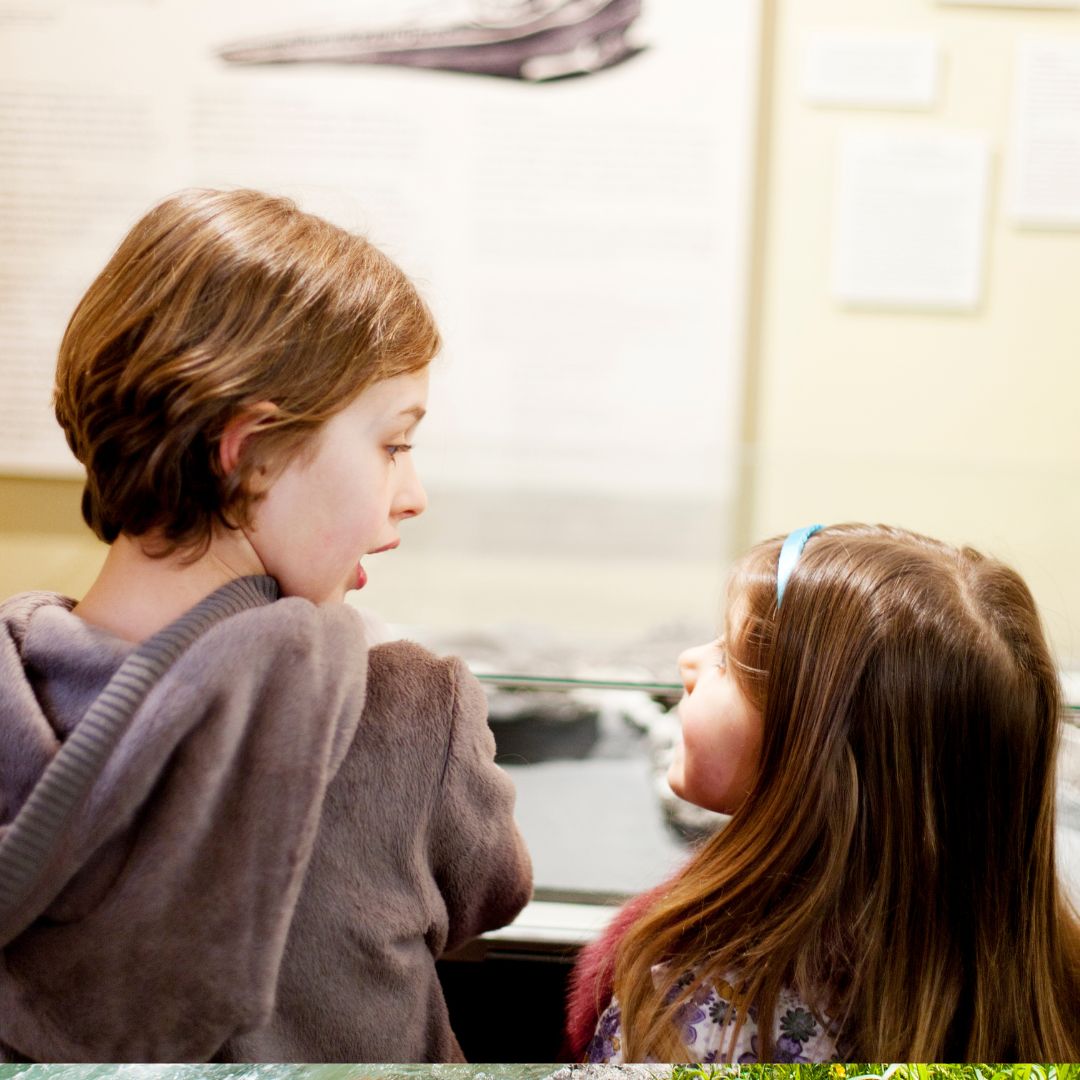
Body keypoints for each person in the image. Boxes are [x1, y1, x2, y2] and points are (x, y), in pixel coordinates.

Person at [0, 188, 532, 1063]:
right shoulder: (409, 711)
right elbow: (492, 894)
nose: (413, 492)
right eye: (393, 444)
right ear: (246, 454)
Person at [565, 523, 1080, 1062]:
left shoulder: (702, 1017)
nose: (689, 660)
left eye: (728, 661)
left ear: (815, 756)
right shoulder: (1036, 996)